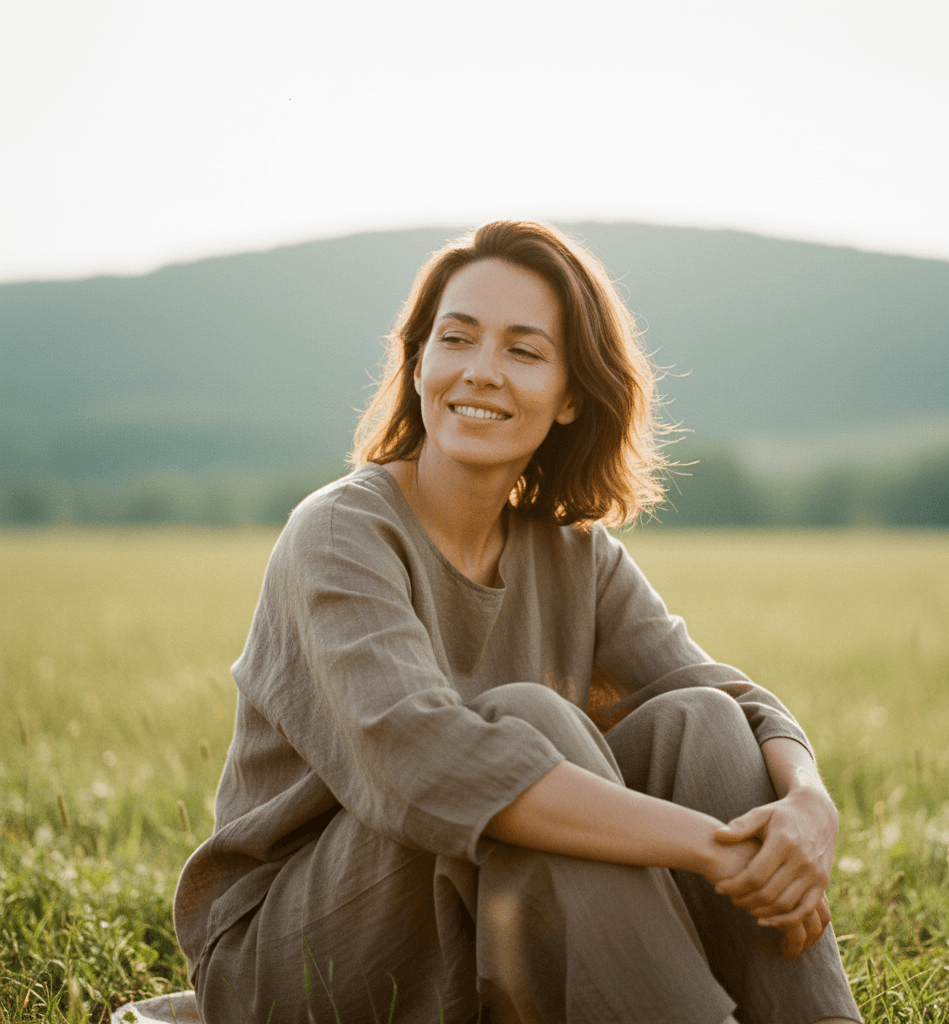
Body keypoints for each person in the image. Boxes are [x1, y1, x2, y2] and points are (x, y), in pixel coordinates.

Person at [173, 221, 861, 1024]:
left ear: (571, 395)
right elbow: (425, 765)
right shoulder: (339, 533)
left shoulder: (574, 552)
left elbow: (731, 696)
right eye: (456, 339)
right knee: (529, 718)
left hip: (476, 902)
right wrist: (714, 850)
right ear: (420, 362)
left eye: (524, 351)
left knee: (699, 722)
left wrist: (810, 804)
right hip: (291, 955)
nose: (481, 371)